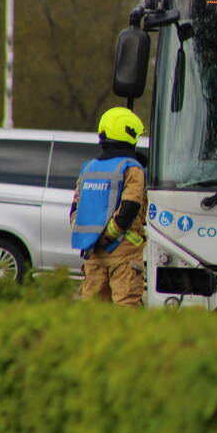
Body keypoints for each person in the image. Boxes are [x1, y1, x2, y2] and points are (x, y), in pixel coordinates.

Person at [70, 106, 148, 306]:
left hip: (92, 252)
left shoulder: (88, 168)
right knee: (126, 307)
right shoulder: (132, 168)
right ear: (128, 134)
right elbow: (130, 207)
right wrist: (109, 236)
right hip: (123, 252)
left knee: (93, 312)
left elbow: (75, 210)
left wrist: (93, 238)